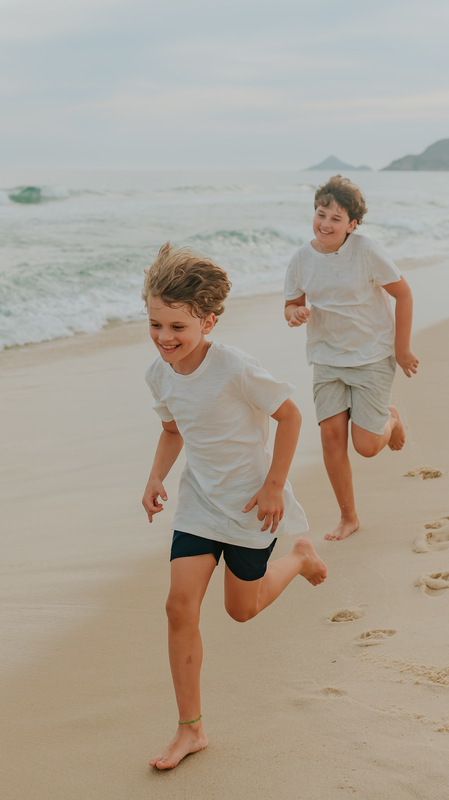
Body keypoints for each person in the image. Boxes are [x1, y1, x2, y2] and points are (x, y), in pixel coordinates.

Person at [141, 243, 328, 771]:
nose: (164, 338)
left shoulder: (234, 368)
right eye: (155, 324)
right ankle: (190, 730)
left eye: (177, 327)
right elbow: (173, 430)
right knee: (179, 607)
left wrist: (275, 486)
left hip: (252, 506)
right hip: (200, 504)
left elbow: (290, 417)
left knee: (240, 611)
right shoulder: (158, 375)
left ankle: (301, 558)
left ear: (209, 321)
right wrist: (156, 475)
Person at [283, 176, 418, 541]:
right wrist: (294, 313)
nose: (325, 224)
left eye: (336, 218)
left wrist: (401, 348)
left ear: (352, 225)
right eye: (320, 213)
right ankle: (348, 516)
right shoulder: (301, 258)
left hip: (372, 356)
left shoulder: (367, 251)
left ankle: (391, 420)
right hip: (327, 359)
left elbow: (403, 295)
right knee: (330, 437)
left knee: (367, 447)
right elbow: (292, 302)